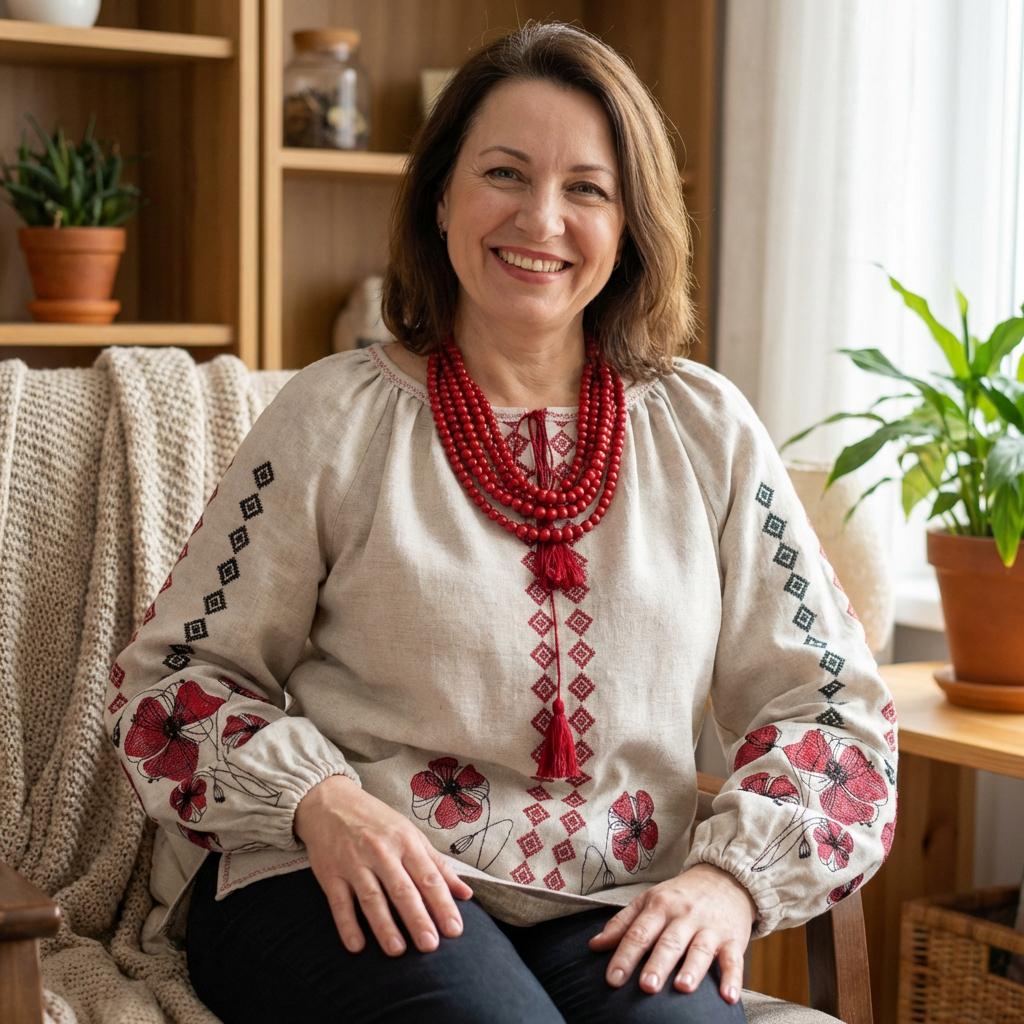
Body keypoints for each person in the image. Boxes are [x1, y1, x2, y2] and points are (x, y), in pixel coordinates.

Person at [103, 21, 898, 1024]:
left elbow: (835, 713)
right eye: (504, 173)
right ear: (441, 195)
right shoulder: (332, 417)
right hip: (339, 871)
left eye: (587, 188)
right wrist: (323, 802)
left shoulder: (706, 432)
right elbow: (170, 679)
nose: (541, 218)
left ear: (630, 222)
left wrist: (729, 879)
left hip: (611, 906)